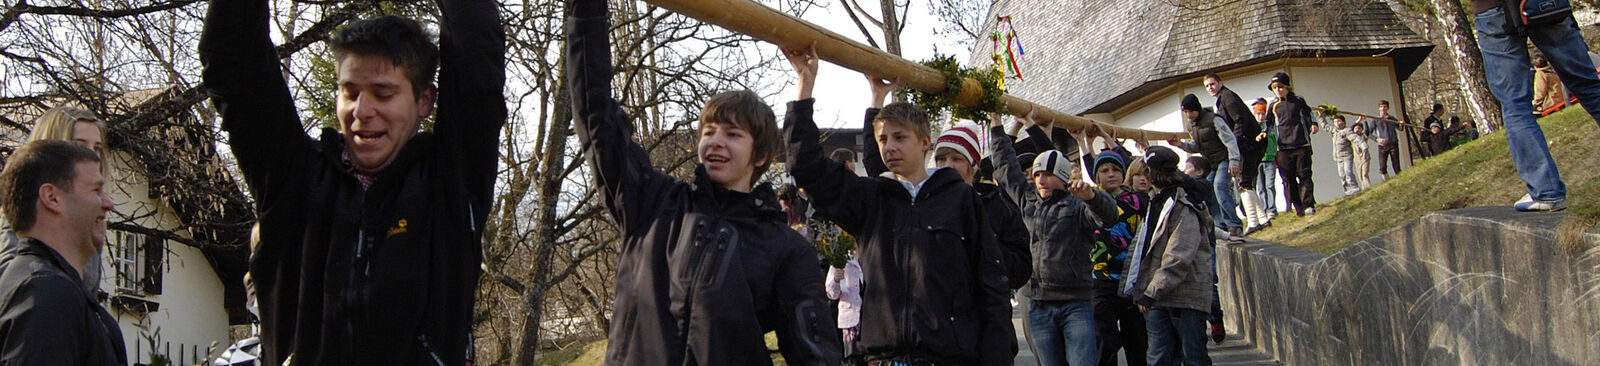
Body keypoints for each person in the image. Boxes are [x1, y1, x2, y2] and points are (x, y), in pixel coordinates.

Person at [201, 0, 504, 362]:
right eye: (350, 92)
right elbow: (235, 65)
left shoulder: (450, 184)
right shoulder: (293, 181)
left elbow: (477, 67)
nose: (362, 112)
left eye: (383, 93)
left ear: (424, 99)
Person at [568, 4, 844, 364]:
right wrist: (586, 12)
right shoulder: (652, 204)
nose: (715, 141)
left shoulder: (783, 248)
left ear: (760, 155)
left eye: (732, 134)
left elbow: (816, 353)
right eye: (709, 132)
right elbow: (596, 115)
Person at [786, 54, 1015, 364]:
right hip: (885, 356)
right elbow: (807, 167)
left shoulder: (961, 199)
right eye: (882, 138)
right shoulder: (871, 198)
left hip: (949, 357)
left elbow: (992, 285)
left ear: (924, 142)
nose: (889, 146)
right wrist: (805, 82)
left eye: (899, 137)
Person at [989, 116, 1119, 366]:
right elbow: (1005, 166)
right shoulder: (1028, 200)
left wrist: (1091, 197)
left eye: (1047, 175)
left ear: (1061, 177)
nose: (1040, 180)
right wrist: (997, 125)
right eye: (1037, 175)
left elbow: (1109, 217)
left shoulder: (1078, 204)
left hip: (1075, 303)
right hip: (1038, 302)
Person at [0, 140, 126, 365]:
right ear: (52, 197)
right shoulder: (45, 293)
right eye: (96, 189)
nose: (109, 204)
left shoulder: (46, 286)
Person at [1473, 0, 1597, 211]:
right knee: (1589, 86)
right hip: (1543, 3)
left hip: (1492, 10)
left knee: (1515, 106)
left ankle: (1546, 192)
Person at [1, 106, 111, 299]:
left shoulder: (89, 220)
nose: (92, 156)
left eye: (97, 148)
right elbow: (15, 290)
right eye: (80, 146)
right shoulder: (24, 215)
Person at [1122, 146, 1216, 366]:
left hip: (1184, 296)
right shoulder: (1156, 200)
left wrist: (1150, 292)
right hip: (1158, 296)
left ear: (1150, 173)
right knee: (1159, 358)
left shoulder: (1183, 203)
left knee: (1193, 357)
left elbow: (1178, 255)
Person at [1087, 151, 1149, 366]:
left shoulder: (1138, 201)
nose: (1110, 175)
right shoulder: (1090, 201)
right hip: (1100, 278)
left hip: (1131, 278)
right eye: (1104, 171)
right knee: (1105, 339)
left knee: (1137, 339)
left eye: (1115, 170)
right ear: (1096, 177)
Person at [1202, 74, 1269, 237]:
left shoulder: (1227, 97)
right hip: (1248, 143)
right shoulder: (1222, 99)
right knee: (1246, 183)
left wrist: (1235, 142)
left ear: (1220, 83)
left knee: (1243, 182)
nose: (1210, 87)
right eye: (1207, 86)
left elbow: (1239, 120)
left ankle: (1253, 222)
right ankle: (1263, 219)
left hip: (1248, 143)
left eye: (1212, 84)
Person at [1169, 94, 1243, 238]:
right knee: (1207, 190)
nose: (1188, 115)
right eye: (1186, 112)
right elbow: (1197, 146)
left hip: (1224, 159)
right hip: (1211, 163)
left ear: (1197, 109)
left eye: (1190, 111)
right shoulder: (1192, 126)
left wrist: (1234, 160)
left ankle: (1234, 224)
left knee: (1220, 186)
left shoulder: (1214, 120)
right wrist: (1181, 145)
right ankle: (1218, 223)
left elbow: (1230, 140)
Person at [1261, 72, 1319, 216]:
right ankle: (1297, 206)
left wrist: (1314, 124)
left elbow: (1309, 112)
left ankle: (1308, 205)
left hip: (1301, 144)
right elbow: (1268, 122)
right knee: (1288, 178)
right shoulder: (1273, 105)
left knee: (1304, 175)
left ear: (1287, 87)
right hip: (1284, 148)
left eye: (1280, 87)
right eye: (1275, 88)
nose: (1278, 90)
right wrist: (1264, 132)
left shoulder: (1298, 100)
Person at [826, 257, 864, 355]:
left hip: (871, 318)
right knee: (853, 358)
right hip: (850, 321)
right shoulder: (840, 259)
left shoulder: (870, 255)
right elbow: (831, 294)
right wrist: (836, 280)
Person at [1250, 99, 1278, 222]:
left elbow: (1275, 141)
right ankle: (1264, 209)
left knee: (1269, 185)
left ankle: (1271, 210)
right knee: (1260, 187)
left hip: (1270, 159)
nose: (1261, 117)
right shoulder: (1253, 128)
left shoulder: (1270, 127)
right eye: (1258, 114)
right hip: (1258, 161)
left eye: (1263, 114)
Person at [1361, 100, 1402, 178]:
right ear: (1379, 108)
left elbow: (1400, 128)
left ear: (1388, 108)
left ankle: (1400, 179)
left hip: (1393, 144)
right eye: (1381, 107)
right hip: (1382, 146)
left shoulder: (1392, 118)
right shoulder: (1376, 120)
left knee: (1396, 166)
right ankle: (1386, 181)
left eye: (1385, 107)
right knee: (1382, 167)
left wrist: (1402, 124)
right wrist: (1377, 139)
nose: (1383, 108)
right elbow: (1367, 133)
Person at [1322, 115, 1361, 195]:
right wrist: (1321, 115)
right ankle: (1347, 190)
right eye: (1335, 122)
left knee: (1348, 172)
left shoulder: (1347, 130)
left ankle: (1354, 188)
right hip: (1338, 157)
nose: (1337, 123)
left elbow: (1354, 138)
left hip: (1347, 156)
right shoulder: (1333, 130)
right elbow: (1325, 126)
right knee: (1342, 175)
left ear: (1343, 122)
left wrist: (1363, 146)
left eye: (1339, 121)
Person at [1348, 119, 1372, 191]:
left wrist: (1365, 121)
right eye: (1356, 128)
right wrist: (1358, 120)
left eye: (1359, 128)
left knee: (1365, 174)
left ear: (1362, 129)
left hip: (1365, 157)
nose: (1357, 130)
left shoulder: (1363, 136)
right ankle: (1364, 189)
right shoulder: (1352, 137)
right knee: (1360, 175)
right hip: (1357, 158)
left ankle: (1369, 188)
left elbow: (1367, 131)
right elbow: (1349, 129)